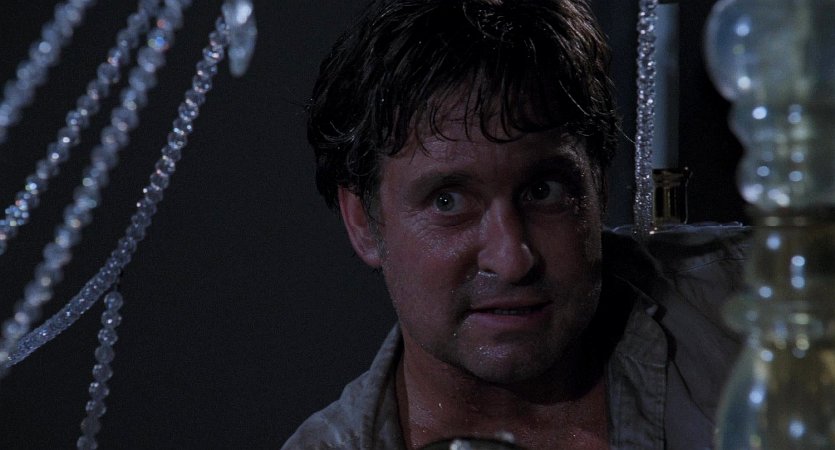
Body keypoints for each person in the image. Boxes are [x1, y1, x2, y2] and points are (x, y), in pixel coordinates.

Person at [283, 0, 745, 448]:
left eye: (543, 191)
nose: (511, 260)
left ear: (599, 188)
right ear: (363, 222)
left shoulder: (754, 307)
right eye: (448, 201)